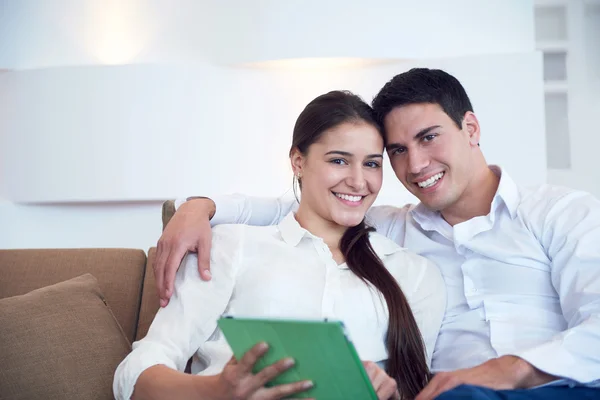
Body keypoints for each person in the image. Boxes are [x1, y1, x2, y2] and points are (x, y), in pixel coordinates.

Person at [153, 68, 600, 400]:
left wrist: (512, 369)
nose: (417, 165)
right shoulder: (391, 229)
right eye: (398, 152)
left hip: (563, 385)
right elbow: (307, 206)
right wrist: (201, 206)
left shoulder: (561, 214)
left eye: (429, 138)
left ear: (471, 128)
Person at [114, 90, 446, 400]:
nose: (359, 181)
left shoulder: (413, 273)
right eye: (339, 161)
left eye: (371, 163)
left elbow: (419, 389)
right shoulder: (232, 247)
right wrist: (216, 390)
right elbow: (136, 372)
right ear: (298, 161)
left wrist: (390, 392)